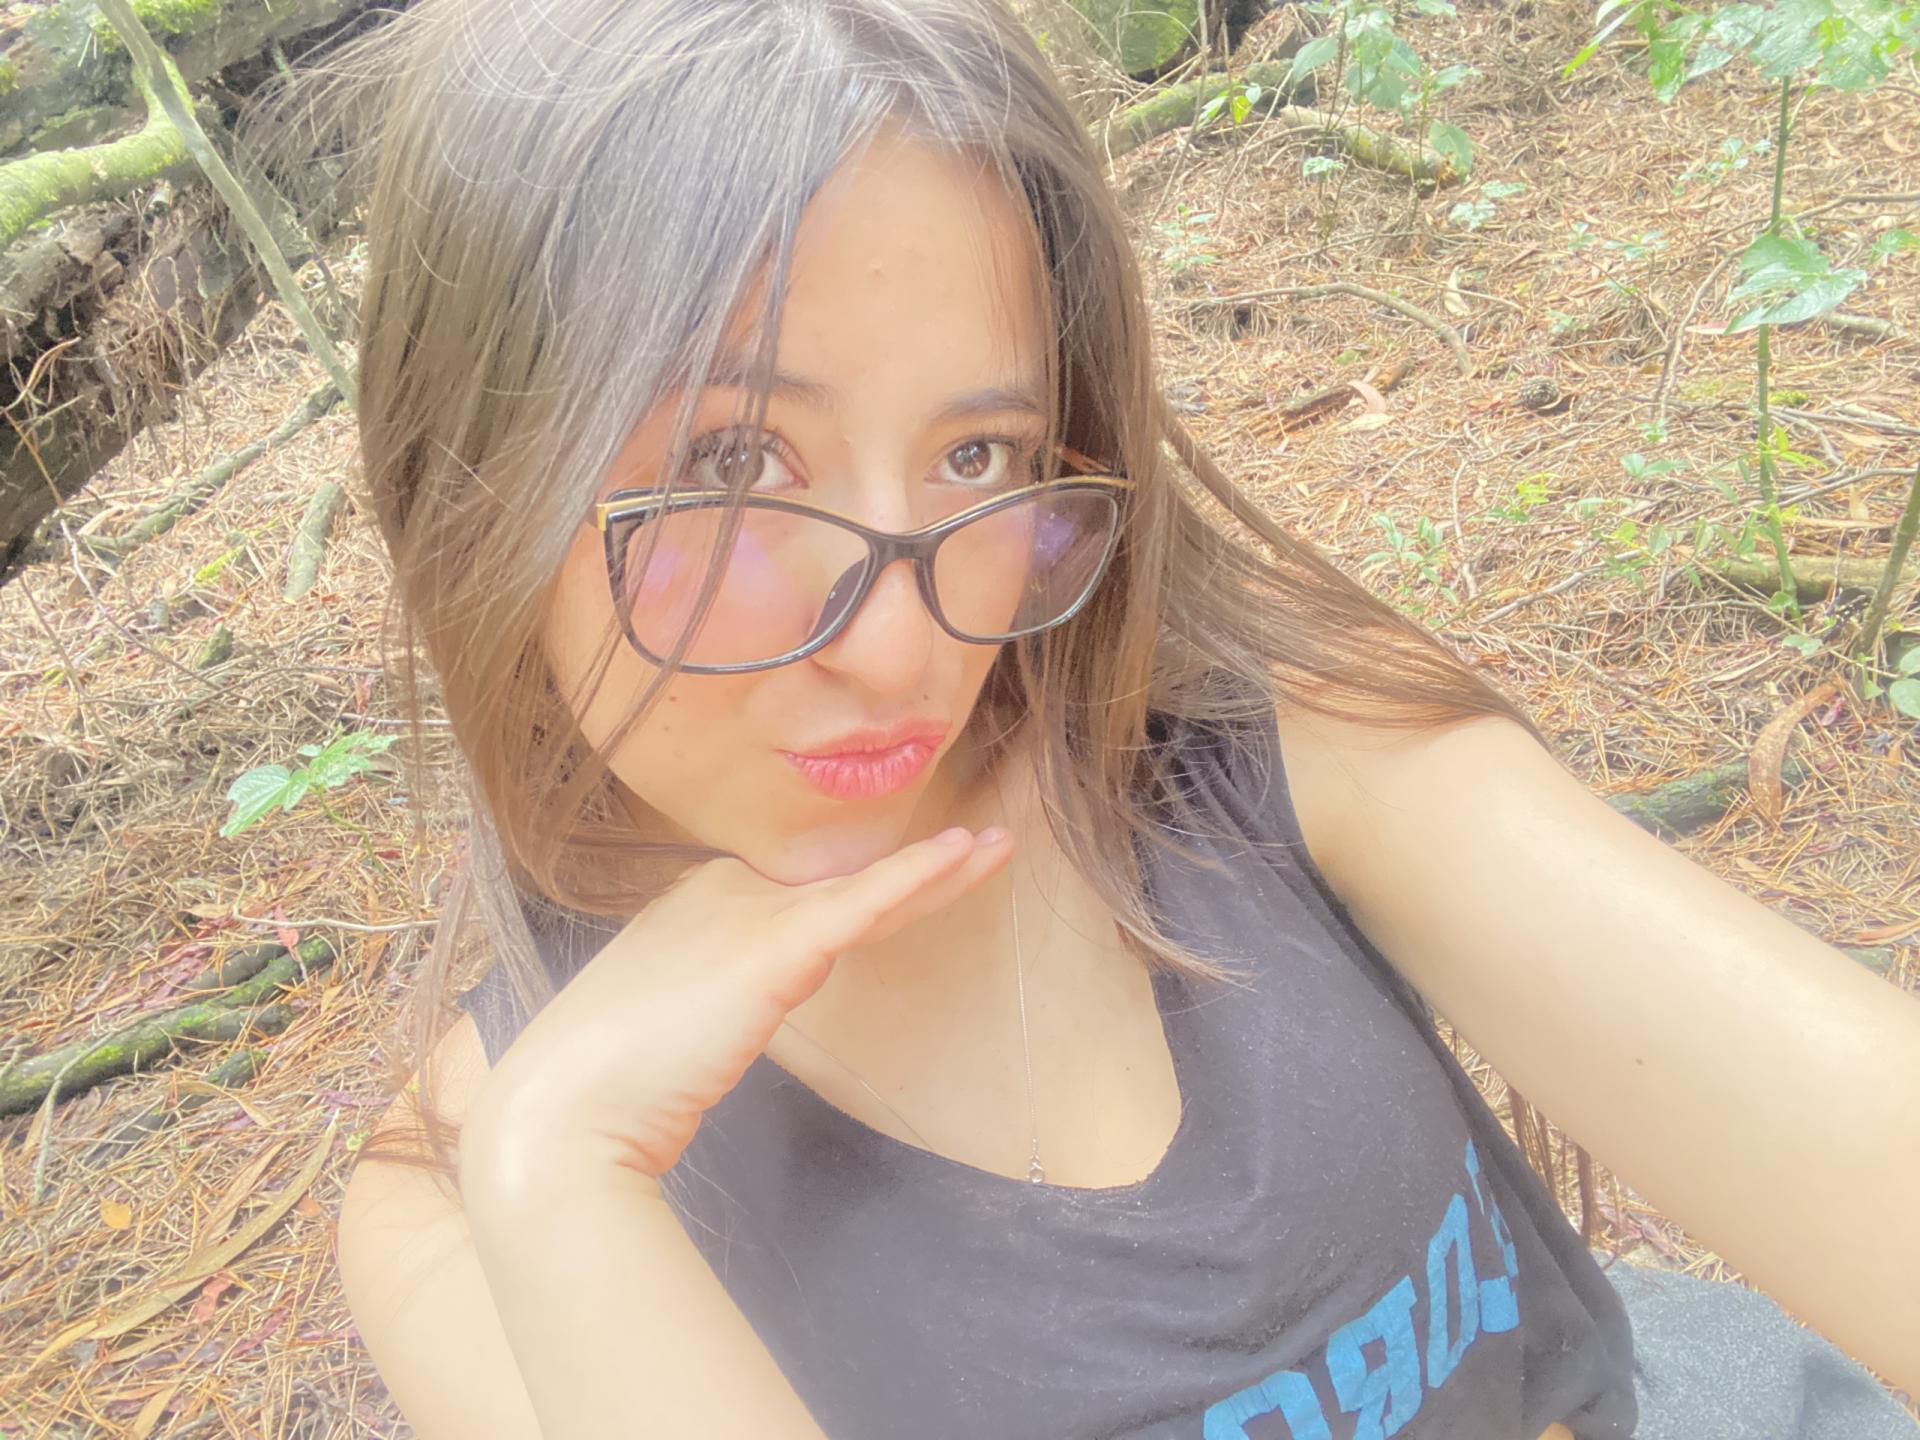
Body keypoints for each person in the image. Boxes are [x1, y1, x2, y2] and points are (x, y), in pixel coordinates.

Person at [306, 1, 1920, 1437]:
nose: (899, 648)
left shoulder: (1256, 748)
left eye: (976, 458)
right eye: (732, 468)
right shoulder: (471, 1182)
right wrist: (566, 1181)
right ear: (469, 487)